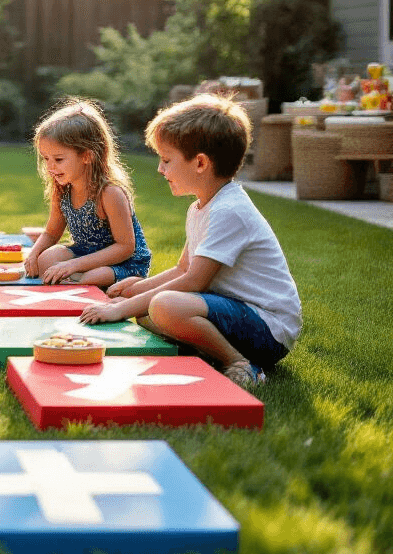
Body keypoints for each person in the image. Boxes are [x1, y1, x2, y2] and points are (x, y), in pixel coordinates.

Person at [80, 93, 302, 388]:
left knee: (164, 305)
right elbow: (183, 269)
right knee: (147, 309)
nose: (160, 169)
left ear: (200, 163)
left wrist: (119, 309)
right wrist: (134, 292)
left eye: (166, 160)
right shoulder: (201, 207)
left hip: (269, 329)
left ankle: (241, 364)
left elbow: (194, 282)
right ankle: (204, 353)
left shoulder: (229, 211)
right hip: (235, 312)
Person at [24, 99, 152, 288]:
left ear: (87, 156)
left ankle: (92, 283)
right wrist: (34, 254)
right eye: (46, 158)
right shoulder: (62, 189)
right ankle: (76, 281)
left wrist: (73, 265)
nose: (50, 166)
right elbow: (51, 233)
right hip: (85, 255)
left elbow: (125, 247)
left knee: (95, 277)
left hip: (124, 262)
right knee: (46, 260)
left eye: (58, 159)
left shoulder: (109, 192)